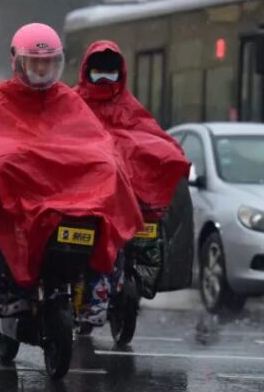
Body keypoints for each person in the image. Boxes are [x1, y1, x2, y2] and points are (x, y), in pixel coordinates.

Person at [0, 23, 143, 324]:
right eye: (35, 62)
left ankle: (97, 290)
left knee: (111, 170)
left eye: (48, 62)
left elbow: (94, 140)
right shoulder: (0, 98)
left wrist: (105, 162)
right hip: (20, 199)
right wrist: (13, 159)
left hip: (69, 199)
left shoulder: (68, 99)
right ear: (18, 62)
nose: (41, 69)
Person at [75, 41, 190, 295]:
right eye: (98, 73)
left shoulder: (129, 106)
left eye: (110, 74)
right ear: (86, 72)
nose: (104, 80)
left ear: (120, 74)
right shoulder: (73, 103)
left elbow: (150, 135)